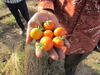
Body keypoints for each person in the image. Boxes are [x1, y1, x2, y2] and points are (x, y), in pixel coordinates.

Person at [26, 0, 100, 75]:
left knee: (72, 64)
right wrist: (46, 8)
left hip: (86, 41)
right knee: (54, 53)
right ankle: (50, 63)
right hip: (57, 25)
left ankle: (69, 71)